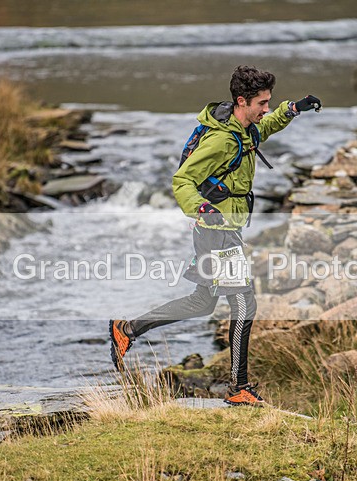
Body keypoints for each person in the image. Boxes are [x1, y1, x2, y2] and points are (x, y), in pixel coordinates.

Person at [110, 65, 321, 406]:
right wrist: (202, 209)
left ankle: (127, 329)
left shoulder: (243, 127)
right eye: (263, 102)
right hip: (216, 232)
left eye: (270, 101)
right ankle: (238, 388)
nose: (266, 108)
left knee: (203, 301)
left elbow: (264, 128)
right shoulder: (222, 139)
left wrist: (292, 109)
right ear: (242, 101)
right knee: (244, 303)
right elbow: (182, 181)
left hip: (224, 230)